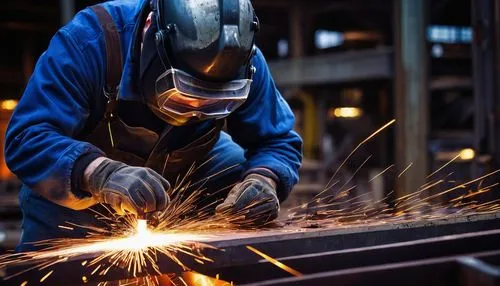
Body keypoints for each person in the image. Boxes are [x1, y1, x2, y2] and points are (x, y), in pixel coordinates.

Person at [5, 0, 302, 251]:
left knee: (233, 167)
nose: (194, 114)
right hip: (77, 194)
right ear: (150, 33)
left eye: (211, 105)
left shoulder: (245, 63)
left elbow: (277, 140)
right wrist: (99, 172)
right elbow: (27, 138)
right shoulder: (89, 42)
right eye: (183, 98)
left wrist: (265, 181)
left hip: (186, 175)